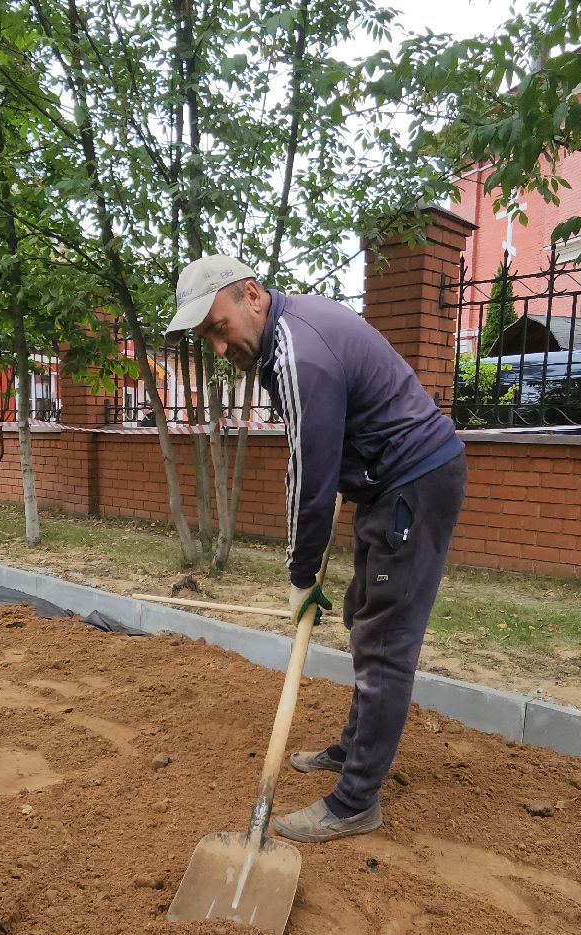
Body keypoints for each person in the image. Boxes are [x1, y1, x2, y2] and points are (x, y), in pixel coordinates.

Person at [166, 254, 467, 843]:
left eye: (218, 329)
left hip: (415, 482)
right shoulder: (281, 337)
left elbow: (308, 476)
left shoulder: (300, 354)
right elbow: (320, 451)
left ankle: (356, 801)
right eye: (206, 339)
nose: (218, 349)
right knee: (362, 615)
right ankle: (353, 747)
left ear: (251, 294)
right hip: (386, 482)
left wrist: (300, 574)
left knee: (384, 641)